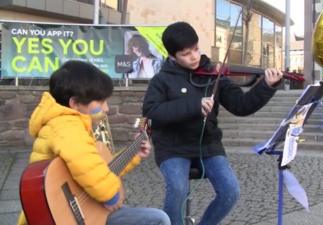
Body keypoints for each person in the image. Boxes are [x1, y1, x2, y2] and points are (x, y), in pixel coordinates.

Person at [142, 21, 283, 225]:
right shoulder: (161, 80)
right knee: (178, 189)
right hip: (172, 147)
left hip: (208, 146)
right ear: (172, 56)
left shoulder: (214, 74)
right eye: (185, 53)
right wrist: (194, 106)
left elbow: (241, 106)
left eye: (196, 49)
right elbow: (152, 111)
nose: (194, 56)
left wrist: (267, 86)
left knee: (230, 191)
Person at [17, 60, 170, 225]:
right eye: (101, 102)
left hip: (85, 210)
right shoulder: (67, 126)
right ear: (74, 103)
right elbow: (86, 166)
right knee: (158, 220)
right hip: (69, 216)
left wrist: (134, 154)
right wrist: (111, 195)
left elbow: (98, 168)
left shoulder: (64, 122)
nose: (106, 108)